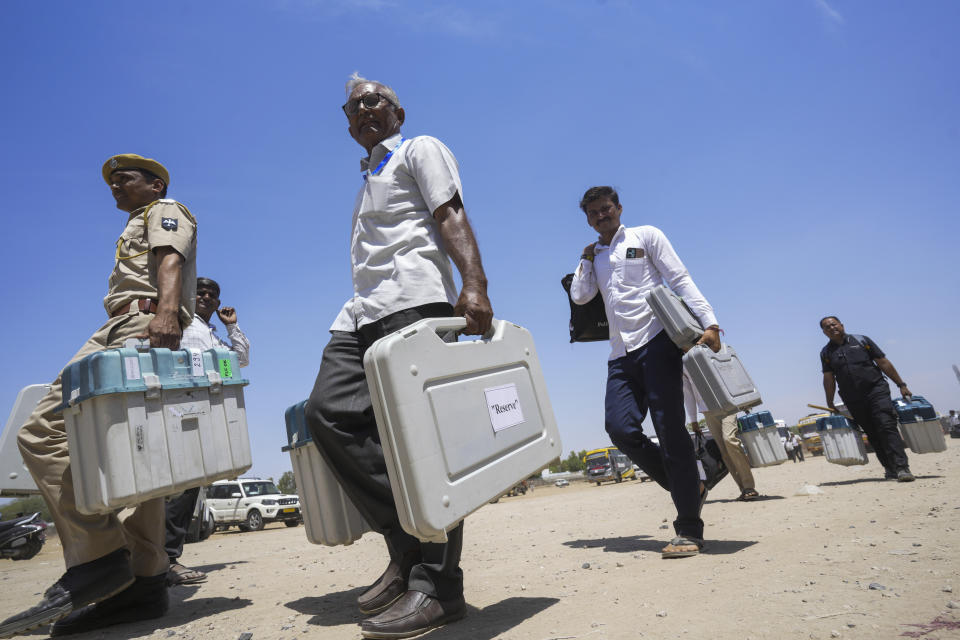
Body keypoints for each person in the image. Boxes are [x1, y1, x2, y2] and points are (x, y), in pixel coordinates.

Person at [303, 73, 493, 639]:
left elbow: (450, 212)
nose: (361, 110)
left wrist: (475, 283)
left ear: (396, 111)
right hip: (361, 314)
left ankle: (438, 587)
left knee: (420, 447)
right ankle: (405, 542)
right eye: (351, 107)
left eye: (372, 101)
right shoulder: (368, 177)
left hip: (415, 303)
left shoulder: (420, 149)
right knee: (326, 412)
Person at [1, 155, 197, 638]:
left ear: (155, 185)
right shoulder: (135, 221)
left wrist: (167, 313)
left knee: (43, 432)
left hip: (139, 324)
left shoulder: (165, 208)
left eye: (124, 177)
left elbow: (170, 257)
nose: (114, 185)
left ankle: (100, 557)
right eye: (111, 180)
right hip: (125, 323)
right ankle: (144, 583)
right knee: (135, 455)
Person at [570, 186, 721, 559]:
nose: (601, 217)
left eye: (606, 209)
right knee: (620, 428)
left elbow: (680, 279)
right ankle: (687, 485)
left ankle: (689, 528)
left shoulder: (646, 236)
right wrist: (586, 259)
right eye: (593, 214)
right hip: (620, 353)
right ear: (588, 219)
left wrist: (711, 322)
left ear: (619, 208)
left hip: (658, 342)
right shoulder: (596, 254)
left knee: (671, 432)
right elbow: (580, 296)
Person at [165, 277, 250, 586]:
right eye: (199, 292)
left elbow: (240, 361)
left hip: (200, 414)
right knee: (177, 487)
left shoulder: (210, 334)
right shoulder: (176, 321)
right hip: (175, 411)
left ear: (217, 303)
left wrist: (232, 327)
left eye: (211, 295)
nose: (204, 297)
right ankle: (165, 560)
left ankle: (163, 559)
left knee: (190, 485)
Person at [819, 316, 914, 482]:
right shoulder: (826, 352)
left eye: (834, 324)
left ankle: (902, 468)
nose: (832, 328)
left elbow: (883, 362)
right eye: (827, 327)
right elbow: (829, 378)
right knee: (872, 433)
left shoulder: (862, 340)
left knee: (886, 425)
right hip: (852, 398)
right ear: (824, 332)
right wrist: (830, 401)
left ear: (842, 325)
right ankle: (889, 468)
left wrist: (901, 384)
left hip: (876, 391)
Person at [682, 372, 759, 500]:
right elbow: (688, 393)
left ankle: (749, 485)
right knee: (724, 451)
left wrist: (745, 400)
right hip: (707, 410)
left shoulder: (711, 351)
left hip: (727, 403)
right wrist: (693, 420)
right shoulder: (682, 363)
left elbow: (730, 375)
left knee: (729, 440)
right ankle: (744, 489)